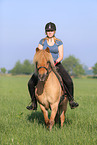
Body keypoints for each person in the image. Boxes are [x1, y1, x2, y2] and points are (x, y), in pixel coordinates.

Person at [26, 22, 79, 110]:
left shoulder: (59, 42)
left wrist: (55, 62)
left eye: (51, 30)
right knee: (30, 83)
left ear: (54, 31)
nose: (50, 32)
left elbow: (61, 55)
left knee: (69, 81)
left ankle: (71, 101)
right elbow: (38, 53)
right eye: (48, 31)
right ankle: (33, 103)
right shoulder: (42, 41)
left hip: (55, 64)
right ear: (45, 32)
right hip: (43, 65)